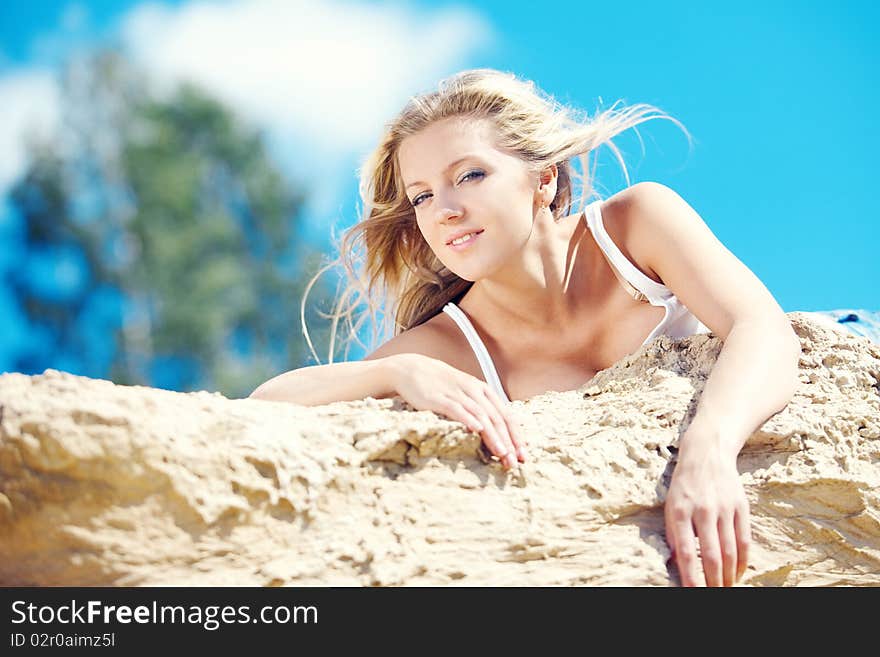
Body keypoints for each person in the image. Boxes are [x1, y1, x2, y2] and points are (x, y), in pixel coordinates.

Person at [249, 69, 802, 587]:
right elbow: (267, 403)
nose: (443, 209)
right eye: (421, 195)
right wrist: (399, 369)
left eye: (469, 174)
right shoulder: (450, 345)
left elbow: (761, 328)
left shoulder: (634, 226)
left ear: (543, 178)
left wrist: (708, 451)